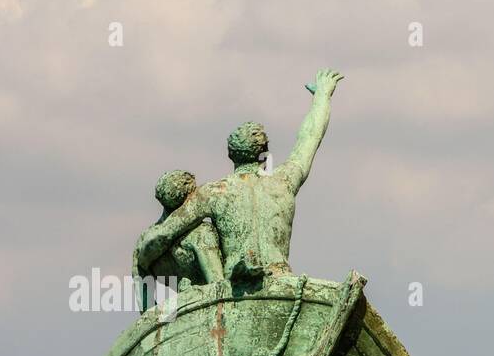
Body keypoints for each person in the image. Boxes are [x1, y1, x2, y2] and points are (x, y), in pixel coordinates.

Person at [134, 68, 344, 287]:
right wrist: (322, 95)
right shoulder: (284, 181)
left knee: (195, 235)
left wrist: (143, 259)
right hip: (282, 281)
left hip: (235, 287)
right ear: (265, 153)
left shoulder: (214, 193)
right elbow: (310, 136)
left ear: (230, 154)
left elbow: (164, 235)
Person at [133, 169, 225, 310]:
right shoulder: (200, 233)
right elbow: (218, 283)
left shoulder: (144, 239)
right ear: (189, 196)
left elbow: (145, 303)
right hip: (209, 302)